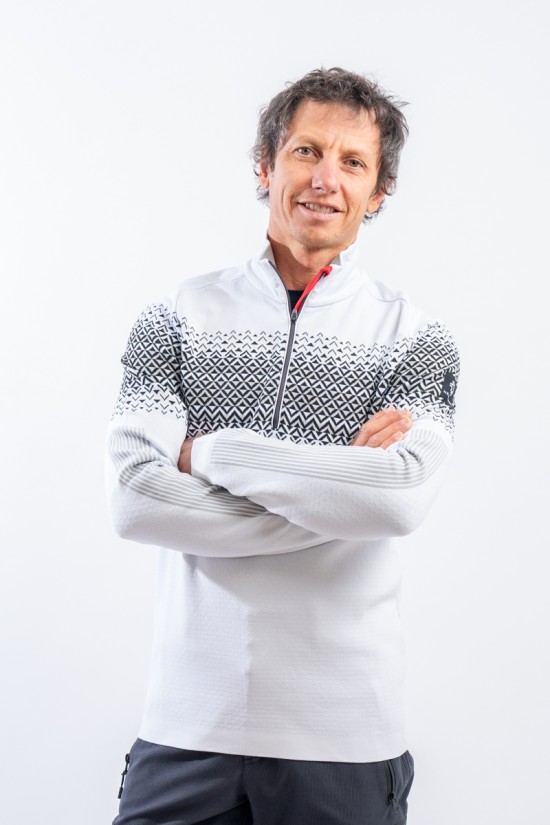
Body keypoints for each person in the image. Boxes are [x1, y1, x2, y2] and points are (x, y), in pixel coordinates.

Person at [106, 67, 459, 825]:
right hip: (186, 729)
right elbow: (135, 501)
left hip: (344, 738)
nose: (326, 179)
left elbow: (397, 499)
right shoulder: (176, 316)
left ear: (379, 191)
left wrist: (207, 455)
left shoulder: (415, 339)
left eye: (353, 162)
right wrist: (336, 498)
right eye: (306, 151)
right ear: (266, 166)